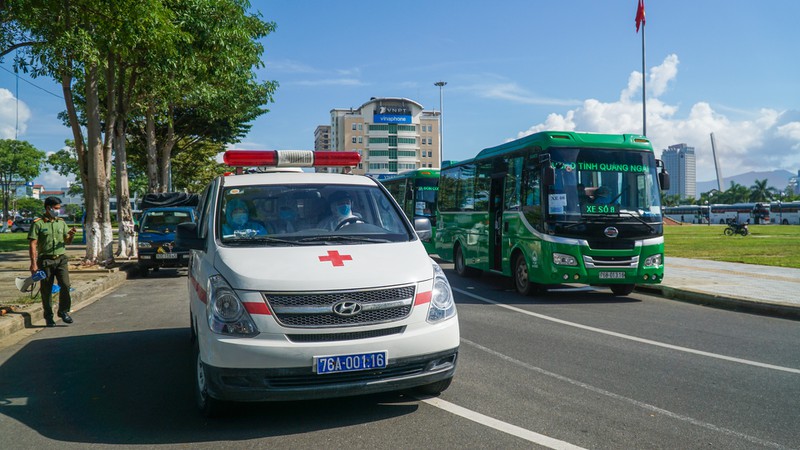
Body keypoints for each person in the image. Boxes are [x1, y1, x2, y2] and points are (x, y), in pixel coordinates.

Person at [28, 196, 77, 327]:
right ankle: (49, 316)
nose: (58, 211)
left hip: (61, 259)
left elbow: (67, 241)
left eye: (59, 208)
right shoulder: (38, 223)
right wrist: (33, 263)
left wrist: (71, 235)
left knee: (66, 285)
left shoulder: (61, 222)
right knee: (46, 289)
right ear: (48, 208)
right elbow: (33, 244)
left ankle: (63, 311)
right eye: (56, 208)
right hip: (45, 261)